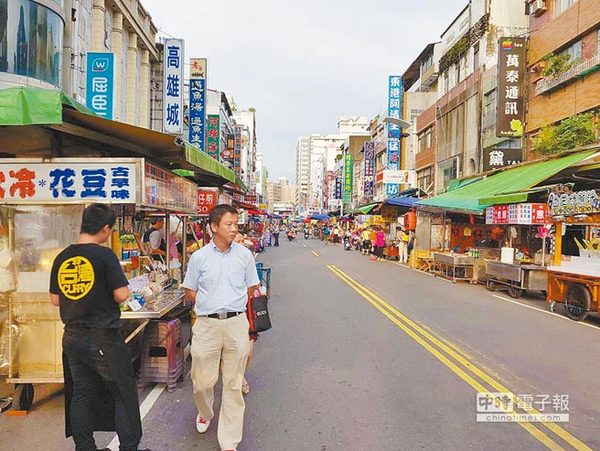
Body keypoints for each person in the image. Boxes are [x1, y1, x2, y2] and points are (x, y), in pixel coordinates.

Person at [49, 204, 146, 451]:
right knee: (123, 392)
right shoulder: (104, 256)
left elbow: (55, 299)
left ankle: (85, 447)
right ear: (105, 229)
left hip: (72, 336)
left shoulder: (63, 256)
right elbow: (122, 294)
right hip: (102, 337)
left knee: (81, 392)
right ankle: (128, 447)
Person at [183, 205, 259, 451]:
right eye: (228, 224)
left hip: (236, 323)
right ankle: (205, 411)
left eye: (235, 223)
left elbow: (250, 289)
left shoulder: (245, 256)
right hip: (207, 325)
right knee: (202, 382)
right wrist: (210, 305)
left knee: (233, 383)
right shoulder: (199, 257)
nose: (234, 228)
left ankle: (229, 442)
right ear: (213, 227)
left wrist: (233, 309)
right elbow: (190, 290)